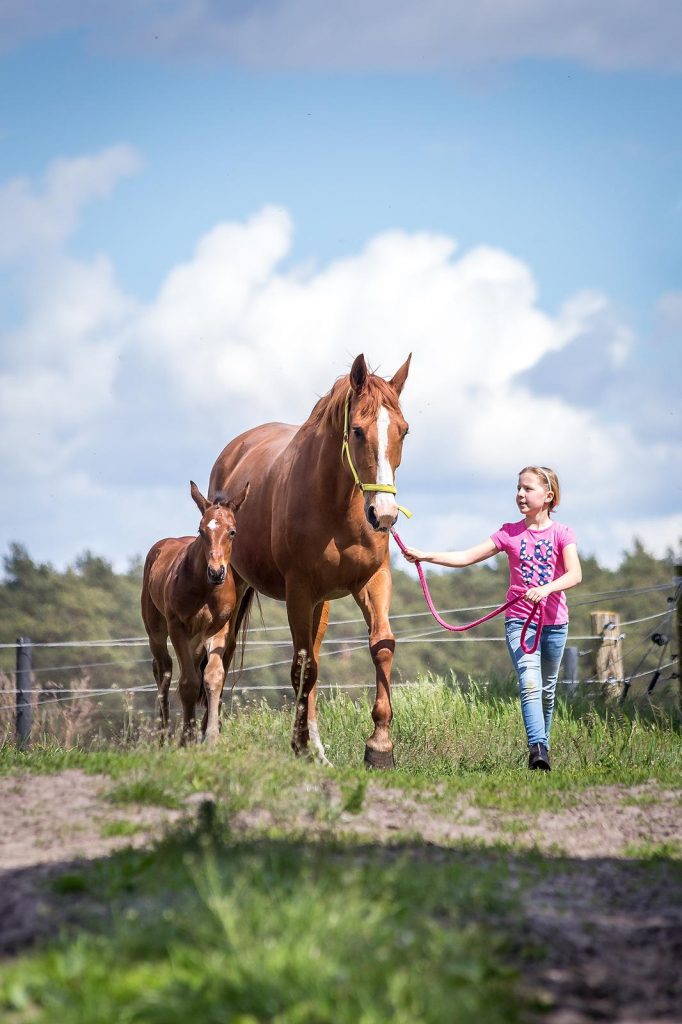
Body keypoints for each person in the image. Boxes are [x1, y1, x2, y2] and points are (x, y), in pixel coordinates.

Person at [401, 466, 582, 771]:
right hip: (519, 620)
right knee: (529, 682)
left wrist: (546, 588)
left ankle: (543, 745)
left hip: (555, 623)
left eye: (528, 489)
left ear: (548, 496)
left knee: (548, 690)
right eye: (518, 488)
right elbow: (466, 557)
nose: (520, 494)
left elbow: (575, 574)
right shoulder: (508, 533)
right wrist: (426, 555)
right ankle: (537, 750)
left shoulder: (563, 533)